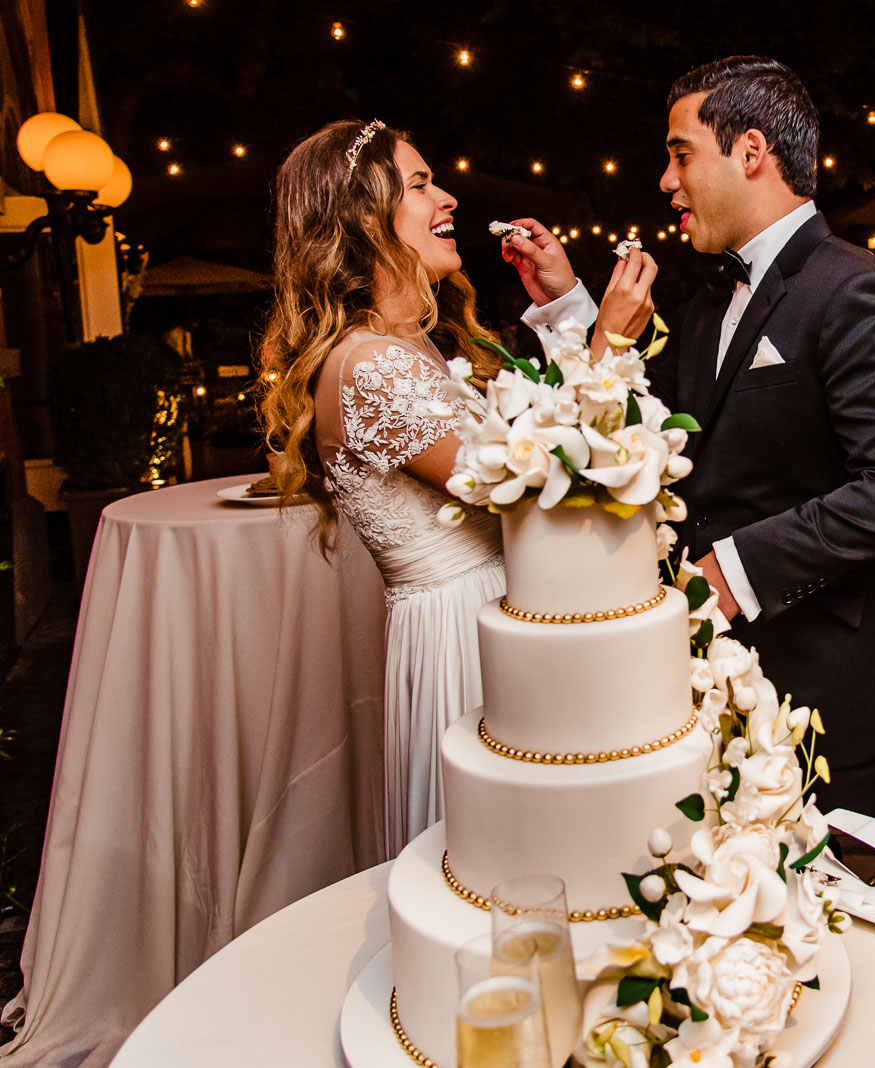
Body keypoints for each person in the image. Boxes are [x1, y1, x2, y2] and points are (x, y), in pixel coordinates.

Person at [505, 57, 875, 820]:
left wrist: (733, 571)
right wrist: (573, 307)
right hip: (718, 690)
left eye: (681, 155)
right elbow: (650, 417)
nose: (666, 182)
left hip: (828, 696)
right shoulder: (713, 300)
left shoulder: (853, 290)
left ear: (750, 151)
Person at [262, 119, 653, 854]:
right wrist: (609, 343)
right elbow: (537, 487)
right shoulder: (366, 365)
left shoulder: (415, 350)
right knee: (499, 860)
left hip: (501, 616)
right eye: (419, 184)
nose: (447, 198)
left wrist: (566, 310)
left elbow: (540, 442)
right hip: (461, 638)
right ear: (359, 217)